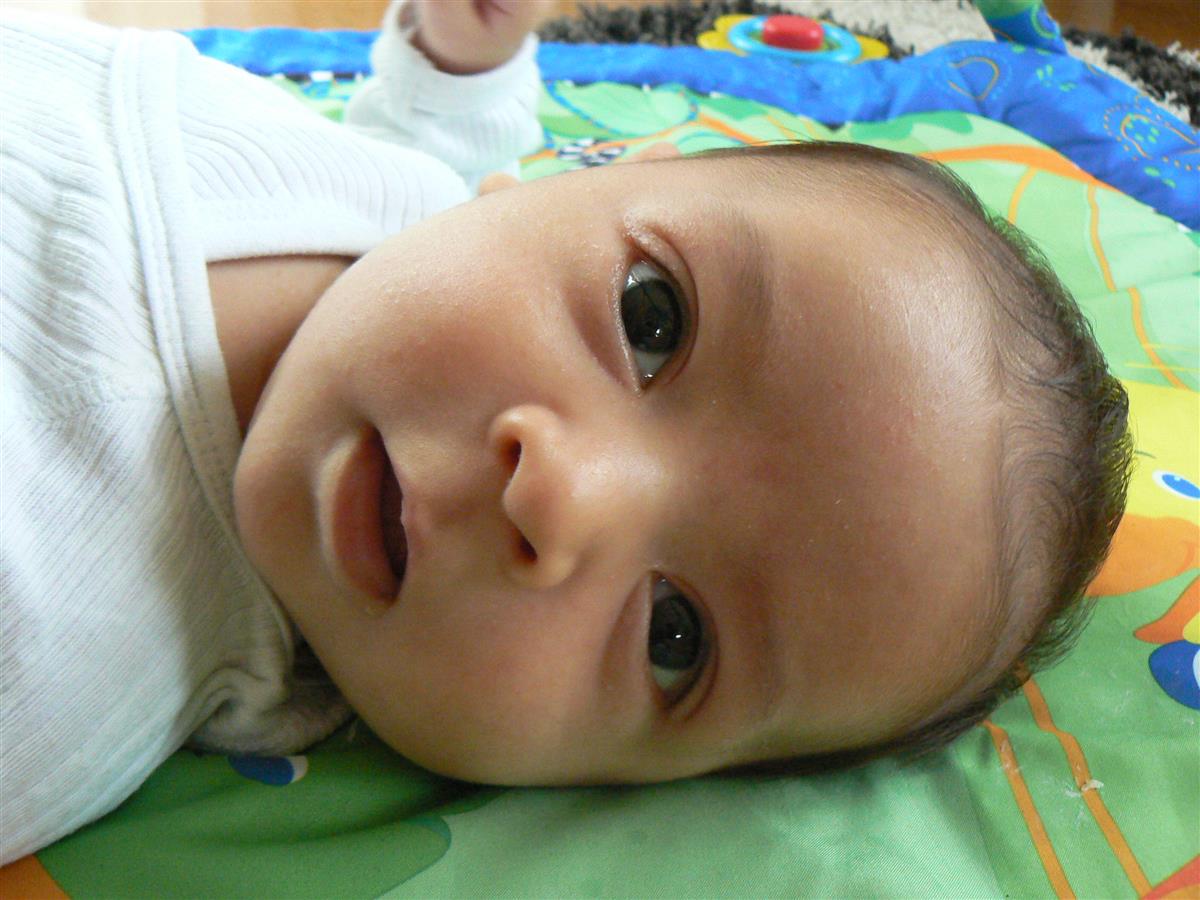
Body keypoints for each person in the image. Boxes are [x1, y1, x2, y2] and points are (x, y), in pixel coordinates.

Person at [0, 0, 1131, 865]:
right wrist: (459, 60)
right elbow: (436, 177)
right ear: (597, 172)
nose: (560, 495)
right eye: (651, 319)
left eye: (676, 638)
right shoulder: (414, 223)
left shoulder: (59, 669)